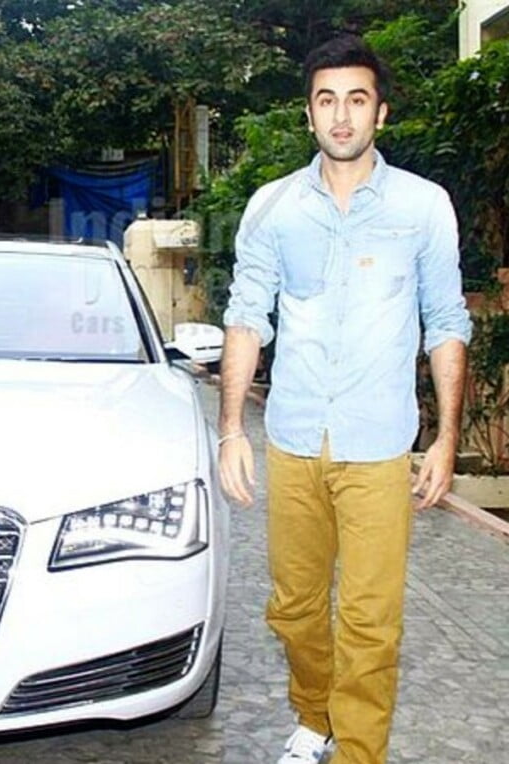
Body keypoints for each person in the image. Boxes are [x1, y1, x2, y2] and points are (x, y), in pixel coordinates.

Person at [217, 36, 471, 764]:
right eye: (326, 100)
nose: (341, 115)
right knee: (294, 610)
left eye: (356, 99)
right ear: (309, 114)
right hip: (294, 439)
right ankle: (314, 713)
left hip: (378, 445)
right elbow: (246, 316)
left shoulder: (423, 208)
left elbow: (446, 323)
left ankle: (360, 750)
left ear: (379, 113)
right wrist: (233, 429)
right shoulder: (273, 209)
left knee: (369, 619)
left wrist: (446, 439)